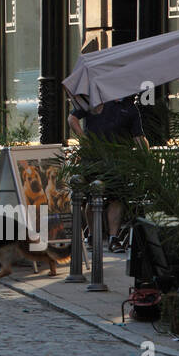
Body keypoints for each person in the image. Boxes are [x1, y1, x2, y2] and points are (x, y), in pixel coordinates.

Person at [67, 93, 149, 248]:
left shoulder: (130, 108)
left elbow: (138, 137)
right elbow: (72, 118)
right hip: (93, 158)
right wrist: (84, 140)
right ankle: (91, 235)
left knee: (116, 198)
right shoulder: (96, 99)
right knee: (92, 196)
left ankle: (113, 238)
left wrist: (148, 158)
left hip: (118, 161)